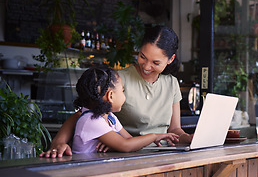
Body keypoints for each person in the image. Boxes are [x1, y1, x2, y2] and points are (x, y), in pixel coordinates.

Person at [40, 25, 192, 157]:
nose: (146, 66)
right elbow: (83, 113)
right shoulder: (118, 80)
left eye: (155, 62)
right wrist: (58, 142)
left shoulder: (171, 83)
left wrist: (189, 138)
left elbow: (174, 130)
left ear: (170, 59)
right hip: (125, 155)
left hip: (161, 155)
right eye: (142, 57)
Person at [70, 67, 178, 153]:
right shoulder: (91, 120)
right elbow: (126, 145)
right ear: (111, 96)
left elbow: (130, 140)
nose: (124, 94)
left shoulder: (110, 118)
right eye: (122, 90)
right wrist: (154, 136)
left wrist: (115, 146)